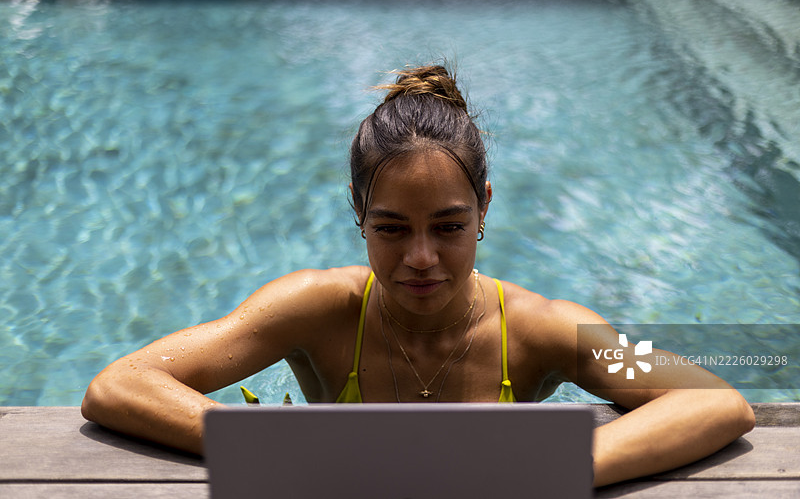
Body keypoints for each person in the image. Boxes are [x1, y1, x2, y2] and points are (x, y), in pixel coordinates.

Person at [82, 64, 754, 487]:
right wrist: (288, 455)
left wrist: (554, 467)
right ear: (358, 215)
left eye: (450, 226)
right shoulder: (316, 308)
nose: (422, 258)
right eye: (392, 229)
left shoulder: (539, 329)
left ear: (484, 208)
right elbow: (121, 384)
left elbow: (714, 402)